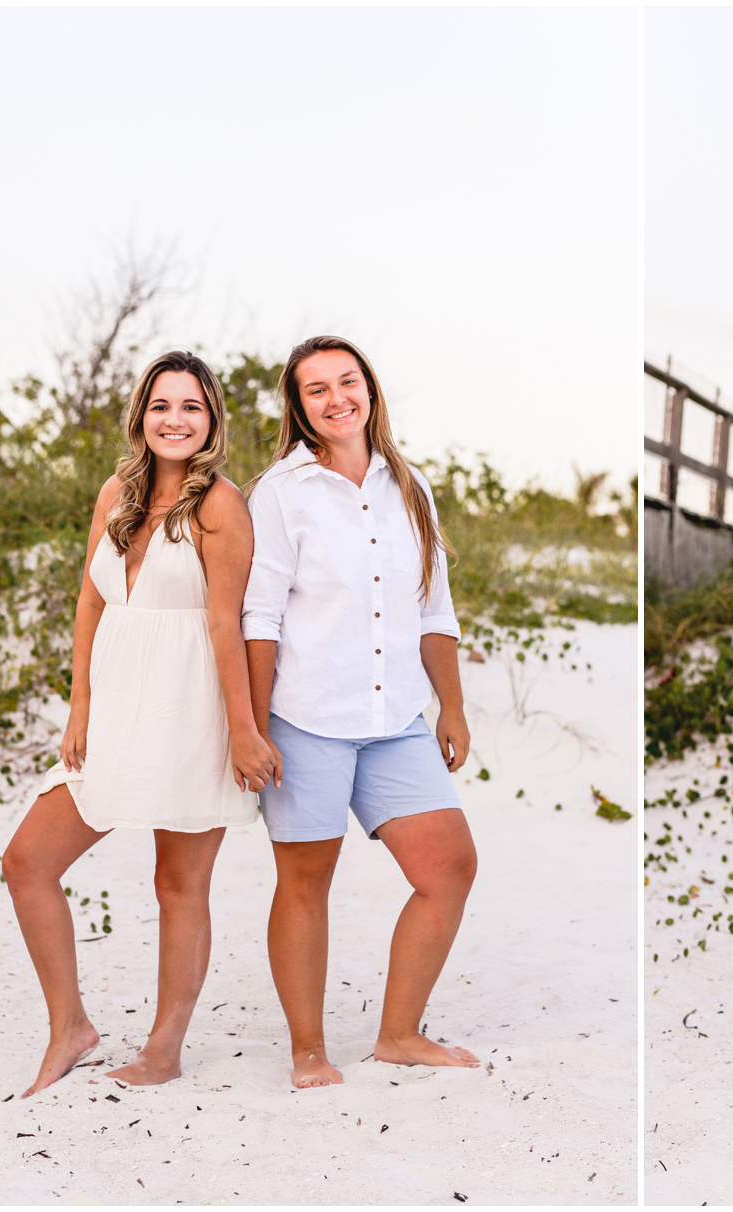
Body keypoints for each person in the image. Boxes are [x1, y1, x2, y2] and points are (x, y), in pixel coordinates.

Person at [3, 351, 272, 1098]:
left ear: (212, 419)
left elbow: (229, 625)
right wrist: (79, 704)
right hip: (116, 703)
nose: (175, 419)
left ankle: (164, 1047)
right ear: (141, 415)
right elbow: (91, 602)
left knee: (178, 883)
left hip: (194, 706)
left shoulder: (221, 505)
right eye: (161, 405)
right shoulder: (115, 494)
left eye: (191, 406)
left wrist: (244, 730)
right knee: (27, 862)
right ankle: (71, 1027)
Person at [242, 335, 479, 1090]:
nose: (336, 397)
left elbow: (433, 608)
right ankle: (308, 1049)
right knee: (307, 883)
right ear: (298, 405)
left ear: (370, 390)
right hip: (306, 718)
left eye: (348, 382)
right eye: (317, 389)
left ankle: (399, 1033)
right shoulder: (280, 493)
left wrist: (452, 707)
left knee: (450, 866)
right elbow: (260, 618)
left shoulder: (410, 486)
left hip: (399, 720)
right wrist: (250, 727)